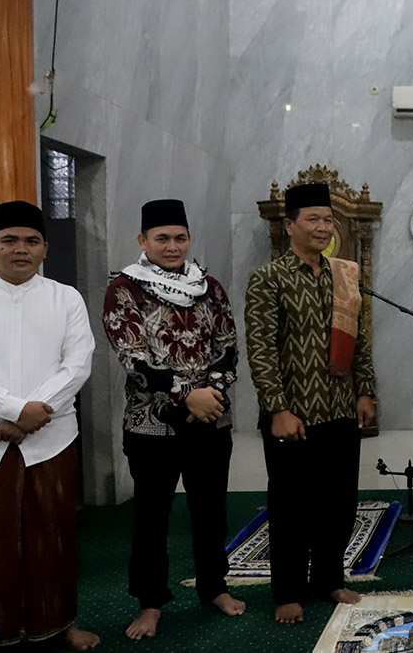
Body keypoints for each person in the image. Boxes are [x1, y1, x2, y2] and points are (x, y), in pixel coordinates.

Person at [0, 201, 99, 651]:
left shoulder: (66, 298)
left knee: (55, 537)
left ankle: (59, 624)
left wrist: (32, 416)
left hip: (51, 439)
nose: (20, 250)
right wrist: (13, 411)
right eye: (9, 240)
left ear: (45, 247)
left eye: (31, 241)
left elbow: (78, 363)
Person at [103, 199, 244, 640]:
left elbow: (228, 348)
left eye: (180, 237)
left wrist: (213, 395)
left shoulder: (210, 287)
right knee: (152, 517)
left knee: (210, 511)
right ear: (143, 241)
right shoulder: (125, 289)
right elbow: (134, 360)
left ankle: (213, 587)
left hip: (211, 422)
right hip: (152, 426)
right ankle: (150, 603)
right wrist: (188, 396)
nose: (172, 246)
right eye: (162, 238)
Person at [245, 182, 378, 624]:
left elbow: (358, 341)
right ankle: (287, 590)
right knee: (291, 506)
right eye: (313, 220)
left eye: (327, 220)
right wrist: (277, 408)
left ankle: (329, 579)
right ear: (289, 226)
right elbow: (260, 346)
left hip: (340, 409)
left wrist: (365, 390)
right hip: (293, 414)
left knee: (339, 502)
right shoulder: (269, 278)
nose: (323, 227)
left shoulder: (344, 274)